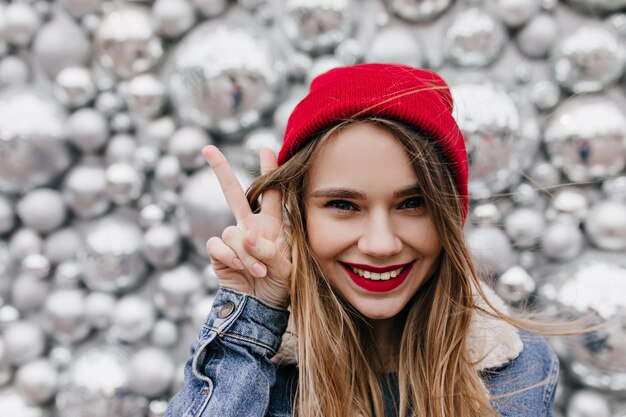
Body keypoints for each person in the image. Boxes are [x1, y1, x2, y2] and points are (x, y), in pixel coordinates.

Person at [165, 64, 559, 417]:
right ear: (299, 217)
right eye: (343, 204)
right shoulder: (253, 364)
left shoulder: (516, 367)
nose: (381, 244)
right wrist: (253, 318)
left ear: (449, 217)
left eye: (412, 203)